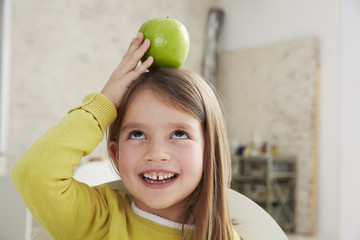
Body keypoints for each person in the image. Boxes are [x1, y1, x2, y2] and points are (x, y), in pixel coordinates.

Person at [11, 32, 240, 239]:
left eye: (179, 134)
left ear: (209, 150)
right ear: (116, 153)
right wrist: (105, 103)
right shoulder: (99, 220)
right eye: (138, 134)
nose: (156, 154)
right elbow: (34, 173)